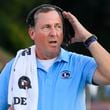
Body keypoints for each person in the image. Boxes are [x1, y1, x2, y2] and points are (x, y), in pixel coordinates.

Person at [0, 4, 110, 110]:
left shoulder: (78, 63)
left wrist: (87, 38)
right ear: (32, 33)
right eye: (46, 27)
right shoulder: (14, 67)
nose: (53, 33)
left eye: (58, 27)